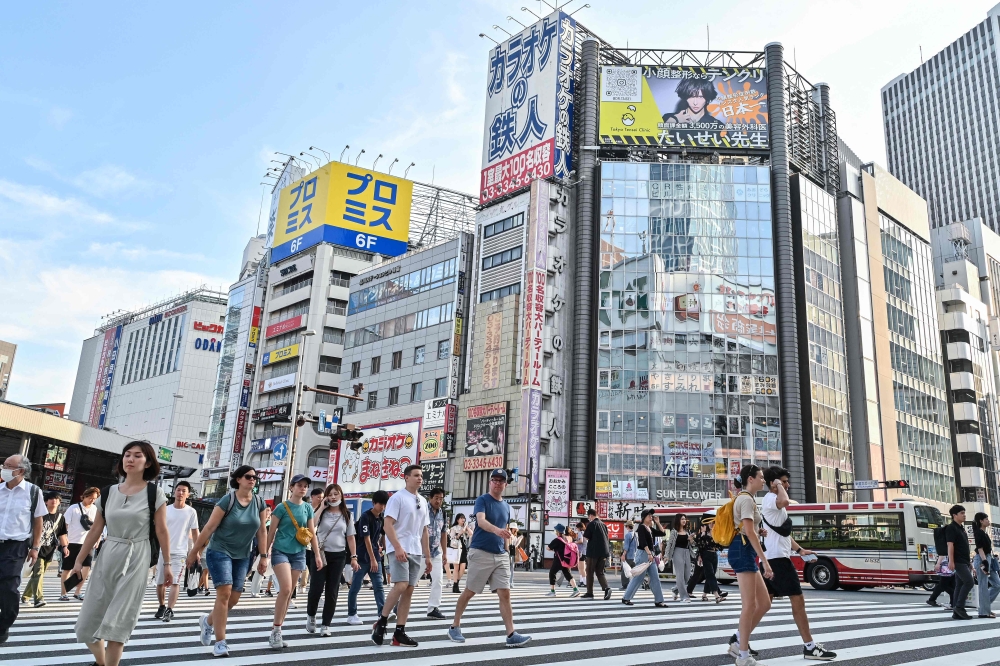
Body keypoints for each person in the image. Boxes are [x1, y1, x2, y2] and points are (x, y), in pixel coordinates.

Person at [72, 441, 171, 666]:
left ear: (147, 463)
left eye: (137, 456)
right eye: (127, 455)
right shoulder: (108, 493)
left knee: (118, 623)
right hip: (108, 554)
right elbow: (96, 530)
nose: (130, 459)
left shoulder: (155, 493)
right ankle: (102, 662)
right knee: (87, 624)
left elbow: (161, 530)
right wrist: (79, 560)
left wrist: (167, 565)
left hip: (137, 555)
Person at [186, 465, 269, 657]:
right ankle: (220, 642)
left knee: (234, 599)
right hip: (219, 551)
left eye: (255, 477)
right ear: (238, 479)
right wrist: (194, 551)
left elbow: (262, 531)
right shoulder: (228, 500)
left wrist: (263, 556)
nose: (252, 480)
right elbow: (208, 528)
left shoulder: (259, 502)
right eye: (248, 476)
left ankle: (207, 622)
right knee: (224, 593)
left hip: (243, 555)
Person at [447, 468, 531, 647]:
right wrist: (498, 530)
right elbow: (481, 521)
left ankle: (511, 634)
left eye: (501, 481)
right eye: (495, 480)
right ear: (490, 482)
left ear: (506, 485)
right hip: (481, 551)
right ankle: (455, 626)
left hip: (500, 554)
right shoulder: (482, 500)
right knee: (470, 591)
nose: (497, 483)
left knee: (505, 593)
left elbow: (505, 529)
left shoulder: (507, 506)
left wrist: (507, 550)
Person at [760, 466, 836, 660]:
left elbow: (783, 534)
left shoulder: (773, 504)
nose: (788, 485)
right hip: (778, 560)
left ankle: (738, 639)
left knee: (762, 605)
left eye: (786, 481)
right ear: (773, 483)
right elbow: (784, 499)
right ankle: (810, 647)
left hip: (774, 558)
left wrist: (800, 550)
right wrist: (777, 486)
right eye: (783, 481)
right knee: (798, 601)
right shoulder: (771, 500)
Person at [371, 465, 431, 648]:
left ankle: (399, 632)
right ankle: (381, 621)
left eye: (421, 476)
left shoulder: (422, 500)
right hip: (399, 547)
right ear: (406, 478)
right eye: (415, 475)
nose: (419, 478)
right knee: (401, 585)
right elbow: (388, 525)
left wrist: (428, 556)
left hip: (415, 549)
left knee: (409, 590)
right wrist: (397, 547)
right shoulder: (397, 498)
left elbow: (424, 530)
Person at [267, 474, 322, 649]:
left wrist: (317, 555)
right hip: (280, 551)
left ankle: (278, 630)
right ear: (291, 487)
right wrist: (263, 555)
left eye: (305, 485)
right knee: (285, 588)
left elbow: (311, 533)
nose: (303, 488)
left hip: (299, 552)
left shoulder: (307, 508)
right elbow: (271, 532)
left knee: (289, 593)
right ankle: (276, 631)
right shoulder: (281, 508)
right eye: (299, 485)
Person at [726, 464, 771, 666]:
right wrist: (765, 561)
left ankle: (738, 640)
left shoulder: (747, 499)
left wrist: (757, 532)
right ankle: (743, 655)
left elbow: (748, 529)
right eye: (761, 477)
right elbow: (749, 532)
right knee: (750, 605)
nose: (763, 480)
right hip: (743, 550)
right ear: (750, 479)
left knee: (764, 603)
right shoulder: (745, 499)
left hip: (744, 549)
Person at [0, 454, 45, 644]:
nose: (4, 468)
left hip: (16, 546)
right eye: (4, 465)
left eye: (9, 466)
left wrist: (35, 547)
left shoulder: (33, 492)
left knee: (9, 587)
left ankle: (3, 626)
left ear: (21, 471)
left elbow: (38, 521)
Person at [307, 483, 359, 636]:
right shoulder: (321, 512)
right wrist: (322, 507)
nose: (333, 497)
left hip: (338, 555)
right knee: (316, 588)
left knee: (332, 590)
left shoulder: (347, 515)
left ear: (341, 496)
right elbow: (312, 525)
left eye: (336, 494)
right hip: (319, 554)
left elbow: (350, 538)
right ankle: (311, 615)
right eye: (330, 494)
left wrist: (354, 557)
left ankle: (326, 625)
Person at [154, 481, 199, 622]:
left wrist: (196, 551)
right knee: (160, 582)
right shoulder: (165, 510)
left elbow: (195, 532)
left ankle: (170, 609)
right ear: (174, 492)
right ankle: (161, 605)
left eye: (183, 491)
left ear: (188, 494)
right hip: (164, 551)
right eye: (178, 490)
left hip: (180, 552)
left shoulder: (191, 512)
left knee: (175, 582)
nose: (180, 493)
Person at [346, 490, 389, 625]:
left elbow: (384, 534)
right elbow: (367, 538)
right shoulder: (366, 516)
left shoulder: (381, 518)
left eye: (384, 504)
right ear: (373, 503)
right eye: (380, 504)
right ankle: (352, 613)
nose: (382, 507)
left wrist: (384, 549)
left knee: (378, 586)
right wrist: (372, 559)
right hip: (362, 557)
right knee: (356, 586)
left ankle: (382, 613)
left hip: (375, 555)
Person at [21, 490, 63, 608]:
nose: (54, 501)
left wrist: (65, 547)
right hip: (36, 548)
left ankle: (26, 596)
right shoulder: (39, 514)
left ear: (59, 502)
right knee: (38, 572)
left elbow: (62, 533)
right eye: (51, 498)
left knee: (38, 574)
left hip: (50, 550)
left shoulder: (60, 517)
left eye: (57, 499)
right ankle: (39, 599)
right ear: (46, 501)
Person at [622, 509, 669, 608]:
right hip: (643, 554)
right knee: (638, 577)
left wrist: (658, 522)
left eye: (651, 515)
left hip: (650, 554)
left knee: (655, 578)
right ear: (644, 518)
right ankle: (626, 597)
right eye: (649, 516)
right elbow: (643, 543)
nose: (651, 517)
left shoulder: (649, 528)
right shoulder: (641, 528)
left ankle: (659, 600)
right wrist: (649, 554)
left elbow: (663, 533)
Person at [59, 486, 100, 600]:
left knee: (86, 567)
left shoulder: (95, 510)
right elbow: (65, 525)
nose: (92, 500)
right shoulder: (73, 508)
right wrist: (64, 542)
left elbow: (97, 527)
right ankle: (64, 593)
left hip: (88, 543)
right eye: (90, 497)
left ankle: (78, 591)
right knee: (67, 568)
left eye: (95, 498)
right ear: (84, 496)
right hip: (72, 541)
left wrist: (97, 540)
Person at [947, 504, 974, 621]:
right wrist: (951, 561)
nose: (964, 515)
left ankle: (956, 611)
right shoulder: (951, 528)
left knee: (959, 584)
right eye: (962, 513)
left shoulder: (961, 528)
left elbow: (964, 546)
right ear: (954, 515)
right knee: (969, 582)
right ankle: (959, 607)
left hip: (964, 560)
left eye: (964, 512)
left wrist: (969, 562)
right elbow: (950, 545)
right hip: (958, 561)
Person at [690, 519, 727, 603]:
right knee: (710, 575)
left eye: (713, 522)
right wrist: (699, 555)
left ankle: (704, 595)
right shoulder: (703, 534)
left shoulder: (717, 534)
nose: (711, 524)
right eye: (710, 523)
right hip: (706, 555)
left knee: (711, 574)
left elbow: (721, 545)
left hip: (714, 555)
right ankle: (717, 596)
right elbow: (698, 546)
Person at [425, 487, 448, 619]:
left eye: (441, 498)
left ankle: (433, 607)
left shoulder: (443, 513)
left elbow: (444, 533)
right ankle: (398, 604)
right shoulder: (422, 510)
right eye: (436, 498)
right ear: (430, 498)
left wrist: (444, 553)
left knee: (438, 580)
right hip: (421, 551)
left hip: (436, 551)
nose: (438, 501)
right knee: (410, 581)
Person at [972, 511, 999, 618]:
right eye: (986, 519)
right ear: (981, 521)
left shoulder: (984, 532)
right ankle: (983, 612)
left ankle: (985, 607)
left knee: (997, 584)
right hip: (982, 559)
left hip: (988, 559)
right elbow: (980, 549)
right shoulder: (978, 533)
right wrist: (985, 563)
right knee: (983, 586)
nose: (988, 521)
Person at [582, 508, 612, 600]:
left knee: (589, 571)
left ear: (591, 515)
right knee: (599, 572)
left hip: (593, 552)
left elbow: (586, 537)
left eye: (588, 517)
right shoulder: (603, 525)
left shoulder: (591, 524)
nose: (589, 519)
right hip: (604, 552)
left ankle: (589, 592)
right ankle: (607, 588)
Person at [665, 513, 694, 603]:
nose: (684, 520)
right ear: (678, 520)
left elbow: (691, 545)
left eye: (685, 519)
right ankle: (684, 596)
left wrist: (691, 540)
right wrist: (667, 555)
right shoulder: (674, 532)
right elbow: (669, 544)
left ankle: (675, 589)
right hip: (677, 552)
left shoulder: (687, 532)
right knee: (680, 576)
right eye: (682, 519)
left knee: (687, 575)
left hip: (687, 552)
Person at [545, 524, 580, 597]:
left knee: (552, 573)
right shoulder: (569, 539)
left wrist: (554, 550)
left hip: (559, 560)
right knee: (568, 575)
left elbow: (548, 548)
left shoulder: (557, 540)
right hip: (566, 560)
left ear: (558, 532)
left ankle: (552, 591)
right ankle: (575, 590)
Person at [927, 523, 955, 609]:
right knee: (945, 584)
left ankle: (951, 601)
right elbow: (943, 553)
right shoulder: (946, 539)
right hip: (946, 564)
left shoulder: (943, 538)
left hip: (947, 564)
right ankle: (933, 599)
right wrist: (938, 563)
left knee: (947, 584)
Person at [448, 513, 472, 593]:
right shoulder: (454, 528)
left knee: (463, 567)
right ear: (457, 519)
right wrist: (460, 533)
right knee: (456, 567)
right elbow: (452, 538)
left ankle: (456, 582)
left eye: (464, 518)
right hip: (456, 548)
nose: (463, 520)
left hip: (464, 548)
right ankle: (455, 585)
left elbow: (472, 534)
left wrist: (466, 528)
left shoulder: (465, 528)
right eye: (461, 518)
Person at [620, 521, 637, 590]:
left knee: (624, 570)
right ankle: (637, 584)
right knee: (635, 572)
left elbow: (626, 547)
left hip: (629, 556)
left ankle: (625, 585)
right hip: (635, 556)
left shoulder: (628, 535)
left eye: (626, 526)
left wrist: (623, 555)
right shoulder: (636, 535)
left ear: (627, 526)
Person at [575, 519, 588, 587]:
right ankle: (581, 581)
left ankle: (584, 582)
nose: (576, 529)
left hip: (581, 552)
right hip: (584, 552)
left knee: (581, 568)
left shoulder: (580, 533)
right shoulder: (585, 533)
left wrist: (575, 542)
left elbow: (581, 541)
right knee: (581, 567)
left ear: (579, 527)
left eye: (577, 527)